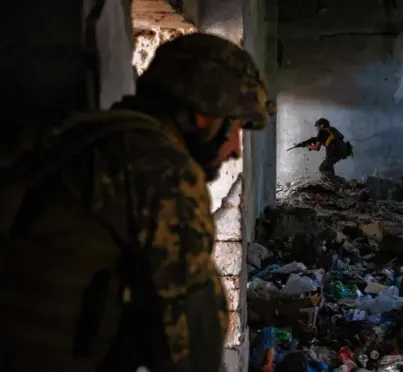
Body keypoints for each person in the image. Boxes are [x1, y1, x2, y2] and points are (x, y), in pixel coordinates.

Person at [0, 33, 269, 372]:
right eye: (235, 128)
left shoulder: (81, 136)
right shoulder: (163, 169)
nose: (235, 149)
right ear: (205, 114)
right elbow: (189, 347)